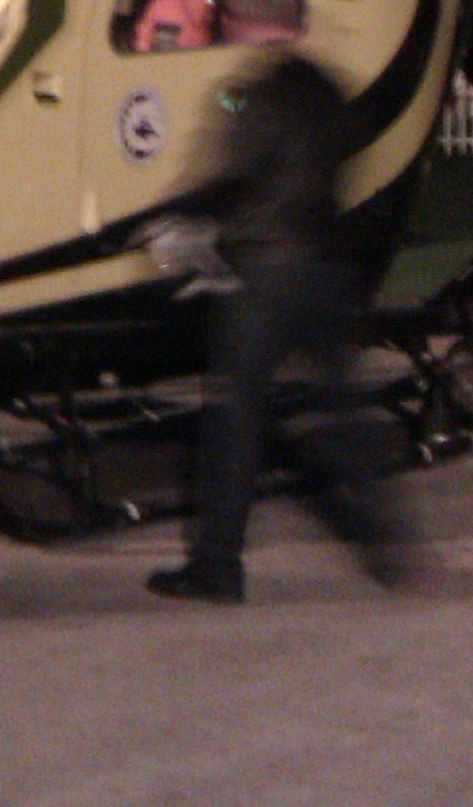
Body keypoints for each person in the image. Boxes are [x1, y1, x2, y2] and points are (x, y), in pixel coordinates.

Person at [147, 47, 415, 604]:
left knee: (233, 415)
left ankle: (217, 564)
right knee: (343, 406)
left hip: (266, 272)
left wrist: (184, 212)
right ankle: (386, 539)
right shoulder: (326, 89)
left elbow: (238, 176)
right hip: (322, 268)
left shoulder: (262, 94)